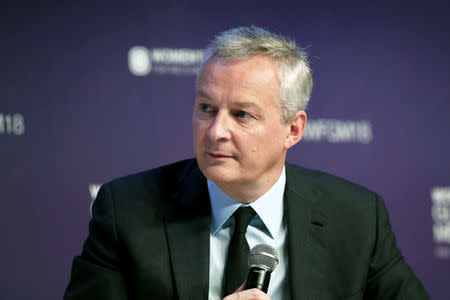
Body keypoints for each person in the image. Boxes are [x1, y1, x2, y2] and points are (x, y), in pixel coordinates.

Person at [64, 26, 430, 300]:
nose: (216, 131)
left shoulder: (357, 217)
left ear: (292, 129)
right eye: (207, 108)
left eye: (241, 115)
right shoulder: (126, 210)